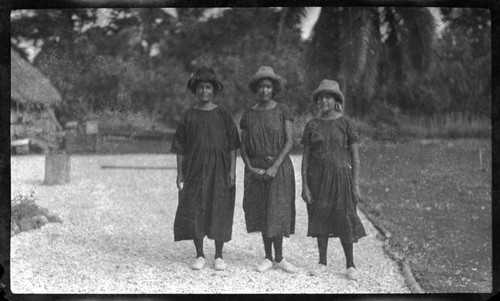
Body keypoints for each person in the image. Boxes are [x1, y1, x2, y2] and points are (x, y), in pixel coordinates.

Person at [171, 66, 240, 271]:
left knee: (219, 209)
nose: (204, 91)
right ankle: (200, 254)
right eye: (200, 87)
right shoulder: (188, 116)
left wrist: (232, 171)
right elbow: (180, 148)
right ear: (195, 90)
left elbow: (233, 145)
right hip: (195, 170)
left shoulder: (223, 114)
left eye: (208, 87)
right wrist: (180, 172)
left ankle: (219, 255)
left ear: (213, 90)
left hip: (220, 169)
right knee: (195, 209)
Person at [300, 79, 367, 280]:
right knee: (320, 217)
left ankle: (350, 265)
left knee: (345, 218)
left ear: (335, 100)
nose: (323, 101)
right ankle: (322, 261)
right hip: (317, 179)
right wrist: (305, 185)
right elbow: (306, 158)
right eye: (320, 98)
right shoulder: (312, 125)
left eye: (327, 97)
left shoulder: (346, 123)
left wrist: (355, 185)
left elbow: (355, 156)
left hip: (341, 179)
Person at [240, 66, 298, 273]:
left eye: (268, 86)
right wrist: (249, 167)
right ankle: (267, 257)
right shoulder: (249, 114)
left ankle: (280, 258)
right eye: (261, 87)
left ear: (273, 89)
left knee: (277, 210)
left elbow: (290, 141)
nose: (264, 90)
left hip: (279, 167)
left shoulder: (283, 110)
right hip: (256, 169)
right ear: (256, 89)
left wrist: (274, 166)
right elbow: (243, 145)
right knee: (262, 210)